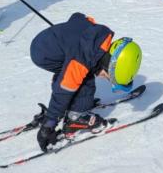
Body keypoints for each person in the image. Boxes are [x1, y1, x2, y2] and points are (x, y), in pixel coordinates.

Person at [31, 12, 142, 151]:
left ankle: (76, 103)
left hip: (47, 40)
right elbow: (63, 91)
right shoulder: (81, 59)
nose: (104, 78)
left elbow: (79, 17)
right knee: (81, 80)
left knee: (80, 74)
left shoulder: (98, 41)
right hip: (42, 54)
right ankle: (76, 117)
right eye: (108, 77)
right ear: (109, 65)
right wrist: (49, 123)